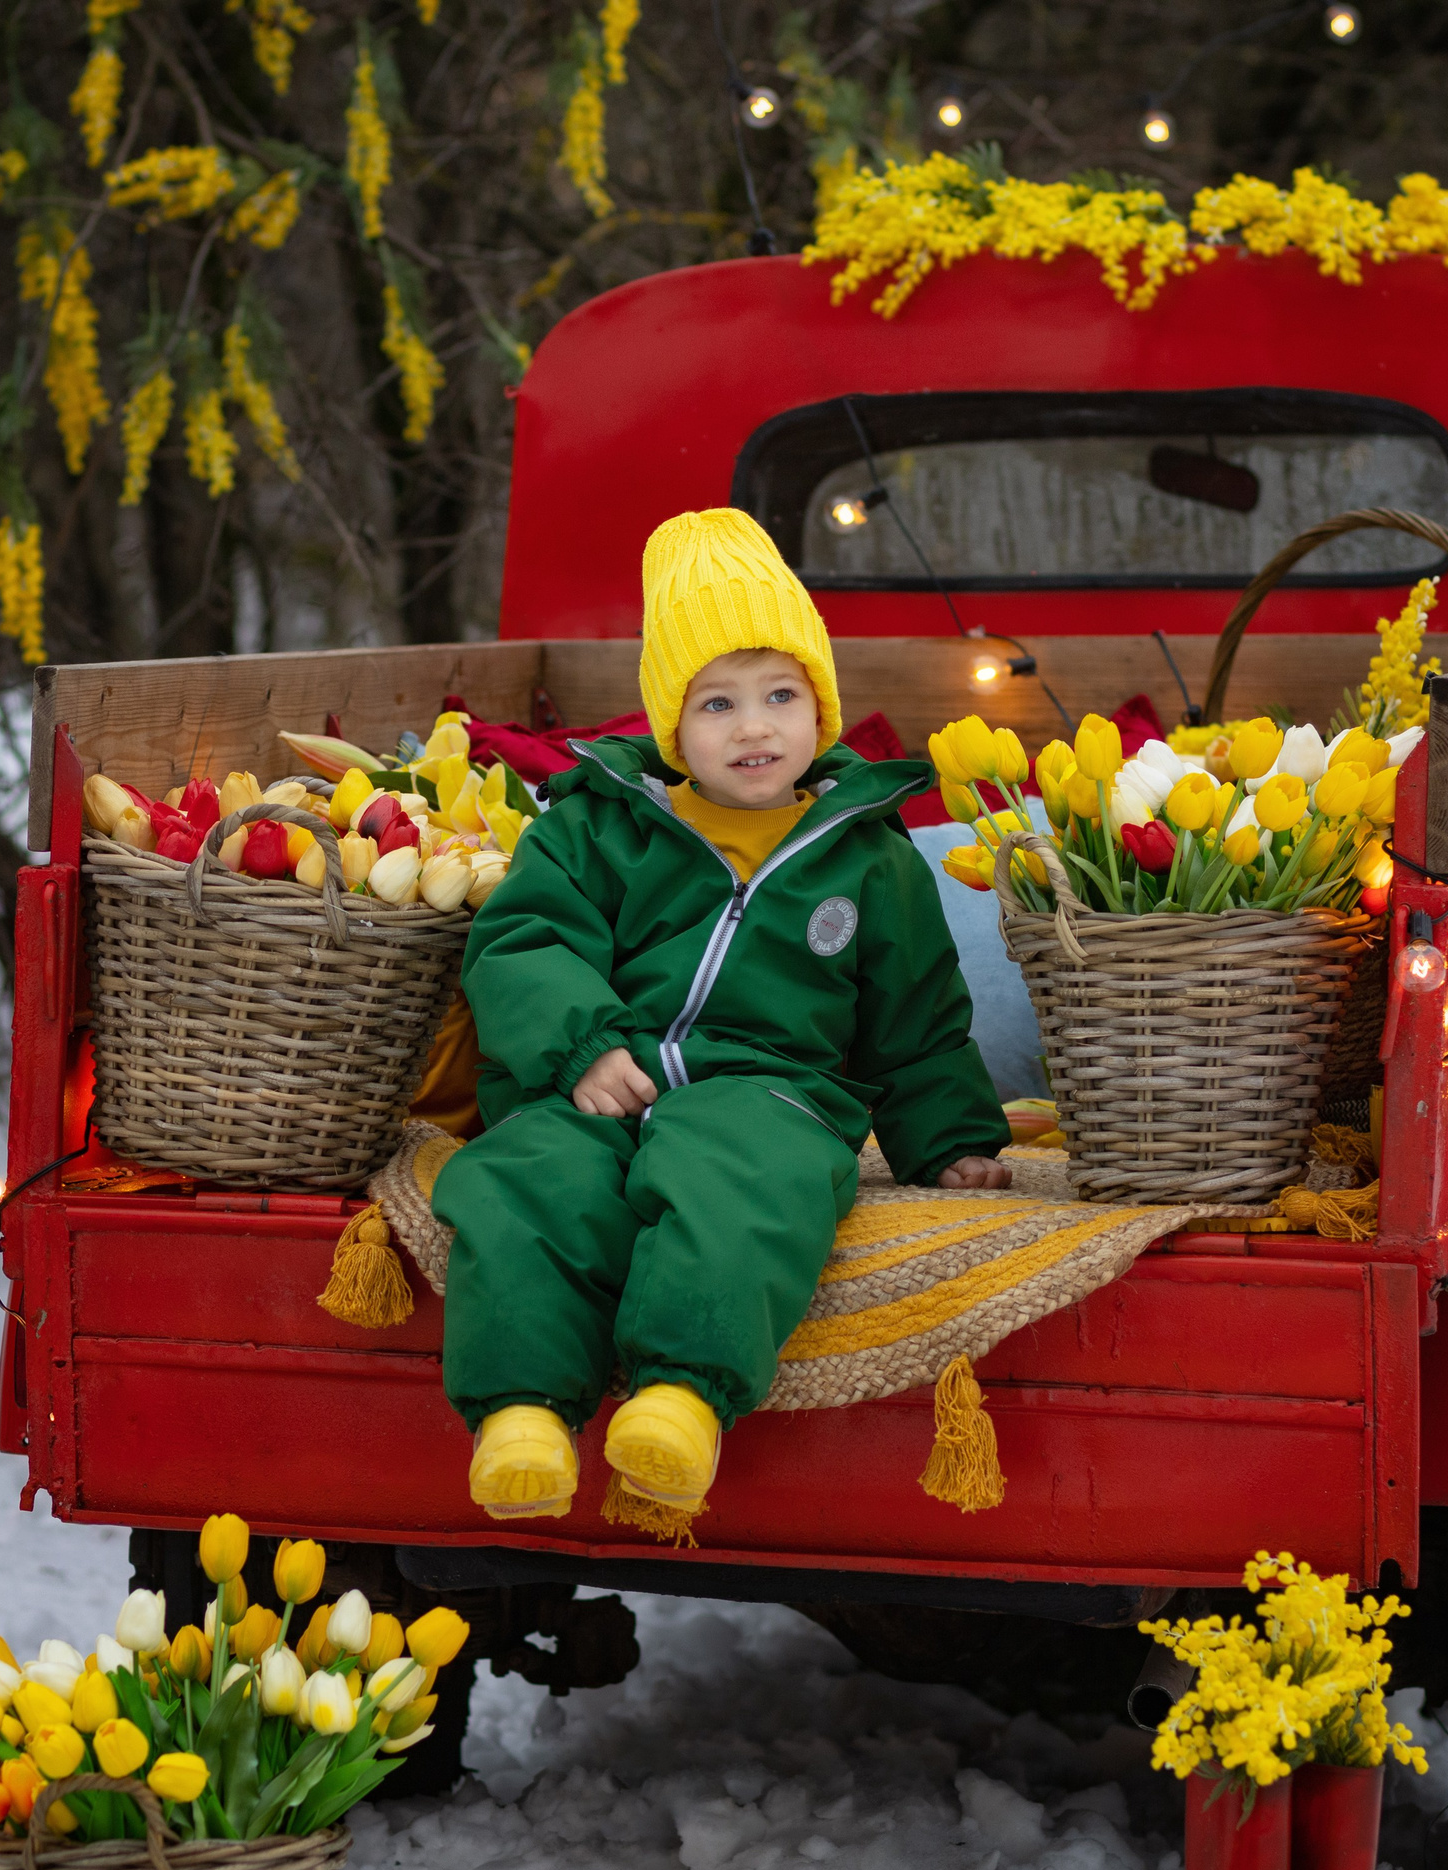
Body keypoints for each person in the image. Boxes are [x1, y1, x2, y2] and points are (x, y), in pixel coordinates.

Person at [432, 507, 1014, 1523]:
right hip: (596, 1079)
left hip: (770, 1090)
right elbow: (526, 941)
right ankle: (521, 1414)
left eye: (781, 694)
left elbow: (915, 1018)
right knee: (525, 1183)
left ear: (820, 710)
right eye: (718, 703)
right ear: (669, 725)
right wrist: (583, 1043)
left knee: (742, 1185)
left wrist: (950, 1142)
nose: (754, 726)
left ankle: (677, 1402)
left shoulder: (866, 855)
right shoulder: (598, 825)